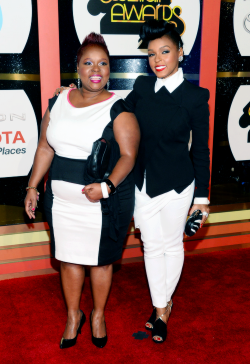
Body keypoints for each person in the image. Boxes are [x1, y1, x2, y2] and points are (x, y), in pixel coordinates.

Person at [24, 32, 140, 349]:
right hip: (61, 202)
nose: (95, 69)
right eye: (88, 62)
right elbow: (45, 147)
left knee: (101, 262)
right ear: (77, 67)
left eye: (102, 63)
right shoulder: (58, 101)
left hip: (100, 205)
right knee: (69, 261)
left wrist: (106, 187)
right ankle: (74, 316)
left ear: (110, 70)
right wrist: (33, 185)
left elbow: (129, 157)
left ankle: (99, 315)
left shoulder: (119, 108)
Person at [124, 20, 210, 343]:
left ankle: (160, 311)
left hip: (177, 186)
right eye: (151, 54)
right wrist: (79, 96)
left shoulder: (195, 98)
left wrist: (201, 199)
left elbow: (201, 150)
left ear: (180, 53)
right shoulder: (142, 89)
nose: (157, 59)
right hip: (143, 183)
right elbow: (116, 111)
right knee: (151, 246)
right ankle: (163, 304)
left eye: (165, 51)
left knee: (171, 245)